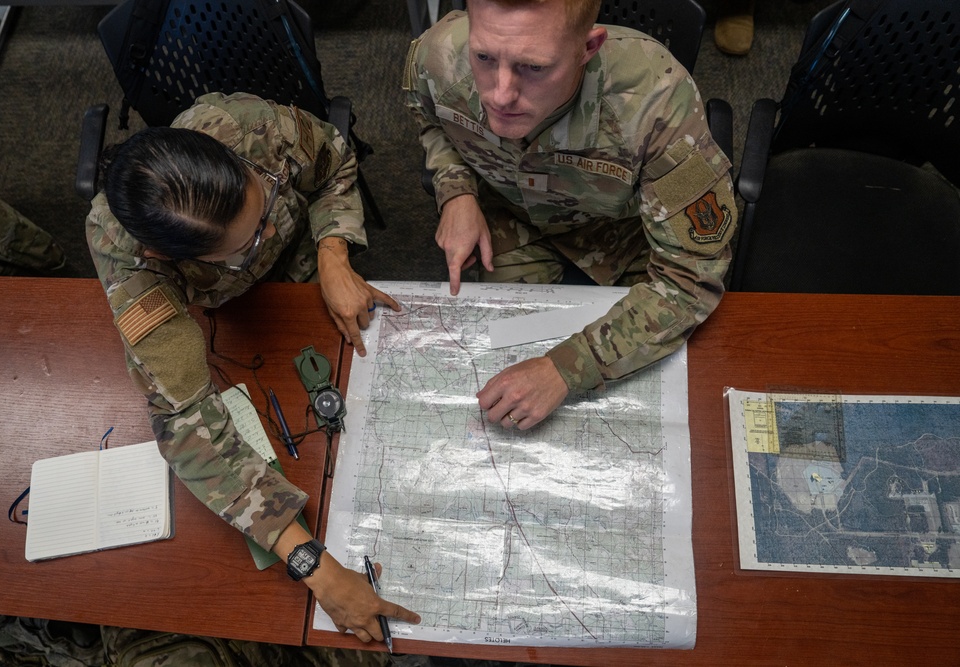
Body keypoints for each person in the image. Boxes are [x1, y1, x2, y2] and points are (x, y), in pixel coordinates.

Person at [86, 91, 419, 646]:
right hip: (230, 313)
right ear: (170, 258)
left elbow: (334, 157)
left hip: (305, 270)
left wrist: (333, 253)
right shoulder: (135, 268)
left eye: (262, 203)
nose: (264, 229)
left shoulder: (247, 128)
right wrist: (314, 566)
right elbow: (186, 424)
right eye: (249, 241)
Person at [404, 0, 735, 429]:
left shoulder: (655, 102)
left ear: (588, 47)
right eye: (484, 57)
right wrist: (456, 190)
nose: (500, 93)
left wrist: (566, 368)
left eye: (534, 67)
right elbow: (426, 114)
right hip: (513, 219)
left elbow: (691, 278)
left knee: (641, 409)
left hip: (625, 239)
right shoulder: (440, 52)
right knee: (496, 365)